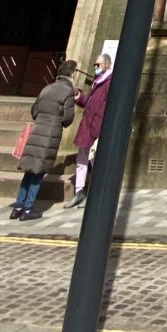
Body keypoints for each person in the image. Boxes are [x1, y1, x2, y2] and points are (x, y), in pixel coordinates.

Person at [10, 59, 77, 221]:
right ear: (71, 73)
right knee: (39, 172)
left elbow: (34, 110)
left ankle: (18, 206)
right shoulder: (68, 91)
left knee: (29, 170)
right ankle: (27, 209)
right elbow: (68, 117)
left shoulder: (46, 88)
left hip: (37, 129)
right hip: (50, 133)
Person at [68, 53, 112, 208]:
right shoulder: (96, 81)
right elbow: (89, 102)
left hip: (97, 128)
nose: (95, 68)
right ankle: (79, 192)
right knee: (81, 159)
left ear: (107, 65)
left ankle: (95, 194)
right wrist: (79, 97)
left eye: (98, 65)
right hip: (87, 126)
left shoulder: (109, 82)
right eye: (95, 65)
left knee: (94, 161)